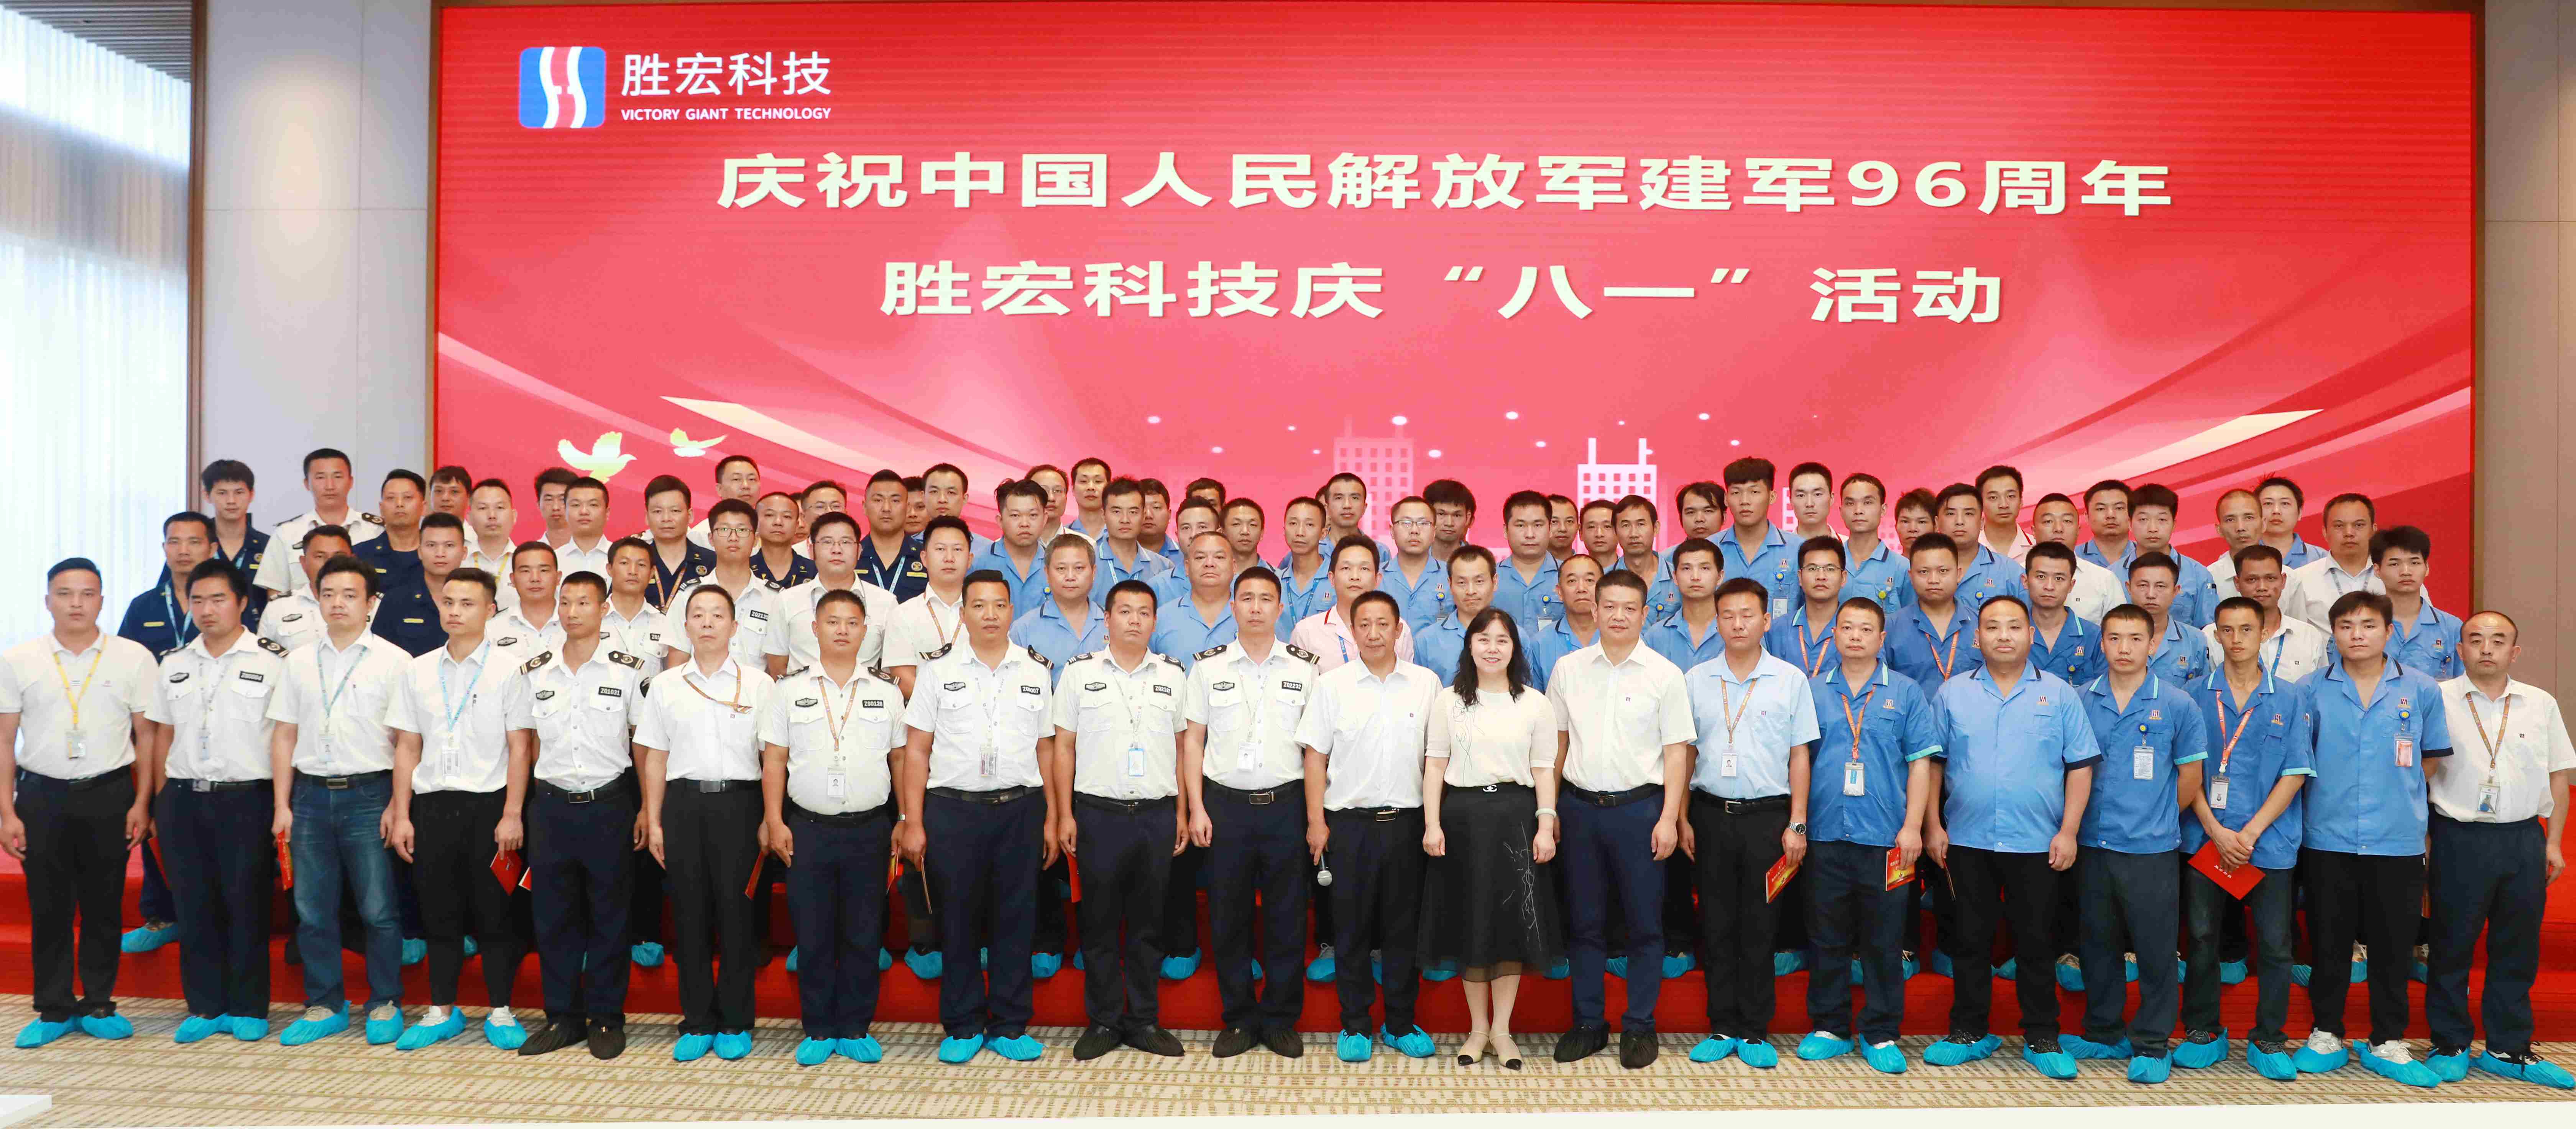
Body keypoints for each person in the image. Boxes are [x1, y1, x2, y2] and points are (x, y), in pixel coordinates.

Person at [1922, 596, 2101, 1078]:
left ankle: (2042, 1035)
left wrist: (2069, 831)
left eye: (2014, 627)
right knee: (1969, 939)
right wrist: (1933, 825)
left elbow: (2080, 767)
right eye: (1993, 627)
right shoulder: (1953, 692)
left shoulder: (2060, 694)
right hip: (1967, 839)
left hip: (2038, 841)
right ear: (1977, 637)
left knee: (2036, 942)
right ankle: (1969, 1031)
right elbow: (1933, 764)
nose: (2004, 635)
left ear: (2030, 635)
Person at [897, 569, 1056, 1064]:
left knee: (1017, 918)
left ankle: (1010, 1023)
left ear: (1012, 611)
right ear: (963, 613)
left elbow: (1046, 748)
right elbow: (917, 750)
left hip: (1020, 809)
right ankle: (964, 1023)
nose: (990, 614)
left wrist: (1053, 817)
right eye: (980, 605)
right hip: (953, 810)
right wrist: (913, 820)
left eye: (1000, 605)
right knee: (958, 918)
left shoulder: (1034, 670)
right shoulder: (936, 671)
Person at [2293, 591, 2451, 1087]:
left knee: (2393, 945)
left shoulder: (2422, 689)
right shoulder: (2309, 689)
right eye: (2346, 626)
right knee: (2329, 941)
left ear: (2388, 632)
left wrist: (2398, 797)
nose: (2356, 635)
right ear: (2333, 633)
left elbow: (2430, 759)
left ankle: (2387, 1038)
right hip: (2328, 836)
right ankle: (2326, 1032)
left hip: (2397, 838)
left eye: (2367, 625)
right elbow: (2298, 761)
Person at [1, 560, 156, 1047]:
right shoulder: (19, 659)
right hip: (41, 794)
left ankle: (98, 1002)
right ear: (48, 600)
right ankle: (53, 1008)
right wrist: (7, 812)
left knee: (103, 902)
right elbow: (4, 740)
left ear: (102, 601)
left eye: (87, 594)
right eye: (65, 593)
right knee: (48, 904)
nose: (76, 603)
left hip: (110, 793)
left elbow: (149, 736)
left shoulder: (132, 657)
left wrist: (143, 802)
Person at [1546, 570, 1693, 1069]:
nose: (1618, 616)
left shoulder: (1664, 675)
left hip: (1641, 810)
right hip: (1580, 809)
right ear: (1594, 609)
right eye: (1609, 606)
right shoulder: (1568, 669)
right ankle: (1589, 1023)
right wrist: (1550, 809)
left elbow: (1676, 753)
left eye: (1630, 608)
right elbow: (1558, 743)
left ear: (1645, 613)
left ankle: (1639, 1026)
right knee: (1585, 922)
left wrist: (1670, 818)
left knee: (1645, 924)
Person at [382, 566, 532, 1052]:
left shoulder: (509, 669)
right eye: (448, 602)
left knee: (496, 914)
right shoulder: (418, 669)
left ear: (490, 610)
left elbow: (520, 747)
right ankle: (441, 1009)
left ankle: (501, 1009)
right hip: (432, 806)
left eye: (467, 604)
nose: (455, 611)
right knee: (438, 912)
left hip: (490, 808)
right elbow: (407, 746)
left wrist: (512, 813)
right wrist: (402, 813)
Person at [2425, 611, 2576, 1088]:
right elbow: (2419, 774)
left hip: (2523, 838)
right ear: (2460, 649)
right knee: (2451, 945)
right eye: (2475, 640)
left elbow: (2559, 775)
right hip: (2457, 836)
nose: (2486, 648)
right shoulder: (2437, 698)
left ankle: (2507, 1048)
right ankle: (2450, 1042)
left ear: (2515, 651)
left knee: (2518, 947)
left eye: (2498, 640)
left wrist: (2553, 841)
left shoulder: (2540, 703)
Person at [757, 588, 905, 1067]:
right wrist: (774, 819)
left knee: (864, 932)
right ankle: (819, 1028)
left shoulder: (886, 691)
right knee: (814, 932)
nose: (842, 630)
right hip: (808, 829)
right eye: (833, 621)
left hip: (870, 829)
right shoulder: (788, 689)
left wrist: (905, 818)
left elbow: (900, 759)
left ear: (866, 631)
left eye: (852, 622)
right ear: (815, 629)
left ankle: (856, 1025)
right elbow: (774, 759)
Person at [268, 553, 411, 1047]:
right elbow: (284, 734)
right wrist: (282, 804)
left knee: (378, 909)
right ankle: (325, 1003)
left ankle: (385, 1000)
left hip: (371, 793)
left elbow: (407, 742)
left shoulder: (395, 661)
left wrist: (398, 806)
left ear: (371, 602)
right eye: (328, 594)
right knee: (312, 909)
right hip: (308, 795)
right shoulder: (298, 661)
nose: (338, 603)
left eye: (350, 595)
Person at [144, 560, 288, 1043]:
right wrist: (160, 800)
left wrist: (282, 805)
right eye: (198, 600)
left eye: (218, 599)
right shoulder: (174, 662)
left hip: (247, 800)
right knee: (194, 904)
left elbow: (284, 737)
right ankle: (205, 1006)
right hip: (183, 798)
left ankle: (248, 1007)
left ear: (243, 602)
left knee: (246, 903)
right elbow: (162, 734)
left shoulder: (273, 661)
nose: (207, 610)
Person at [2062, 604, 2207, 1083]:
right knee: (2097, 941)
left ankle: (2151, 1042)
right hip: (2093, 842)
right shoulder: (2080, 699)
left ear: (2152, 644)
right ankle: (2104, 1031)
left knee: (2155, 948)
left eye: (2135, 639)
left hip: (2151, 847)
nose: (2124, 648)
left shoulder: (2178, 704)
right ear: (2102, 643)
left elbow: (2190, 776)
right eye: (2114, 638)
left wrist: (2158, 817)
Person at [1796, 597, 1940, 1075]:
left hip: (1887, 839)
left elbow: (1921, 763)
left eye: (1865, 629)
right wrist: (1799, 823)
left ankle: (1881, 1031)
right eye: (1847, 628)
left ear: (1881, 639)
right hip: (1825, 834)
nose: (1855, 636)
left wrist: (1913, 827)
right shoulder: (1813, 690)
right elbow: (1800, 760)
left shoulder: (1906, 692)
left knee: (1884, 940)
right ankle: (1830, 1026)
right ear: (1834, 635)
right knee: (1826, 935)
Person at [1680, 578, 1819, 1069]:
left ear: (1766, 620)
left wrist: (1797, 822)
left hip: (1768, 818)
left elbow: (1800, 754)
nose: (1738, 624)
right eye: (1728, 615)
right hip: (1709, 814)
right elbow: (1685, 753)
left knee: (1761, 927)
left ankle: (1756, 1030)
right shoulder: (1696, 679)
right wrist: (1682, 817)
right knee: (1716, 924)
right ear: (1716, 621)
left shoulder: (1790, 679)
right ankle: (1722, 1024)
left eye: (1747, 615)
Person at [1296, 591, 1440, 1063]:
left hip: (1407, 824)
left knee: (1403, 929)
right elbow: (1315, 757)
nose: (1374, 633)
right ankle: (1355, 1023)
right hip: (1348, 825)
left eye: (1384, 624)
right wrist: (1316, 822)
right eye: (1365, 625)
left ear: (1399, 630)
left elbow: (1436, 759)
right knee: (1350, 928)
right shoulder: (1332, 685)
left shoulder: (1426, 684)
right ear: (1352, 631)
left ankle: (1400, 1023)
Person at [511, 570, 649, 1061]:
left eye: (584, 602)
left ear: (603, 608)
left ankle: (607, 1017)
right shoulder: (535, 671)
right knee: (553, 916)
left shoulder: (627, 670)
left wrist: (647, 808)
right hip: (550, 808)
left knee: (611, 915)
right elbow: (523, 745)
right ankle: (562, 1017)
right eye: (566, 602)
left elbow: (644, 744)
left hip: (609, 804)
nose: (572, 612)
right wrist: (516, 811)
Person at [1183, 568, 1319, 1060]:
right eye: (1247, 599)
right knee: (1228, 916)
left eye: (1266, 599)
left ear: (1281, 608)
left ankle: (1281, 1019)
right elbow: (1193, 742)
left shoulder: (1305, 668)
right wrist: (1197, 807)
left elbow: (1316, 749)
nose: (1256, 607)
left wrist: (1314, 817)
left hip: (1286, 806)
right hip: (1225, 808)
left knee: (1287, 917)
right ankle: (1239, 1017)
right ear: (1233, 607)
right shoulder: (1208, 667)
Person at [1418, 607, 1562, 1071]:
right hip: (1462, 819)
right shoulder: (1448, 701)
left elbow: (1544, 769)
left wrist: (1545, 824)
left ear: (1515, 648)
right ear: (1470, 646)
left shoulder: (1535, 703)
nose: (1493, 648)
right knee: (1472, 922)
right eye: (1483, 639)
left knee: (1510, 925)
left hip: (1516, 819)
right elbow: (1435, 765)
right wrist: (1432, 824)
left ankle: (1502, 1030)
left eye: (1502, 640)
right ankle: (1477, 1029)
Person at [2178, 595, 2315, 1080]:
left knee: (2276, 944)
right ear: (2215, 635)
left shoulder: (2290, 697)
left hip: (2268, 841)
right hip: (2206, 838)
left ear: (2264, 634)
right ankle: (2202, 1030)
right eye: (2228, 630)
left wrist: (2250, 832)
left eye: (2247, 629)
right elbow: (2187, 770)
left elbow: (2296, 772)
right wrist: (2216, 830)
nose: (2237, 639)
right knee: (2201, 938)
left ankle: (2269, 1037)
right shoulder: (2194, 694)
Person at [636, 584, 774, 1063]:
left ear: (735, 627)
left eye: (718, 614)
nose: (709, 622)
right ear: (686, 626)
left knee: (738, 915)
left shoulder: (758, 684)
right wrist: (654, 820)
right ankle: (696, 1019)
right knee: (689, 914)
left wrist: (770, 817)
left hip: (741, 806)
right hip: (683, 806)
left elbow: (772, 758)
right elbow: (655, 756)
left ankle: (735, 1020)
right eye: (699, 615)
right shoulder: (666, 685)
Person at [1051, 582, 1189, 1060]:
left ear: (1155, 621)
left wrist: (1181, 812)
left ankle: (1144, 1019)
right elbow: (1064, 747)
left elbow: (1181, 749)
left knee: (1150, 924)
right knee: (1099, 922)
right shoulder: (1078, 673)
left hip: (1156, 814)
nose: (1134, 620)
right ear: (1106, 619)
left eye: (1143, 612)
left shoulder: (1173, 674)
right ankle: (1105, 1020)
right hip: (1098, 814)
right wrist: (1065, 813)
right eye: (1125, 611)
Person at [767, 512, 899, 678]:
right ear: (811, 550)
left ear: (859, 551)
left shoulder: (885, 603)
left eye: (846, 542)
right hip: (802, 693)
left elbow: (892, 669)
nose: (837, 550)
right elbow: (777, 667)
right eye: (827, 542)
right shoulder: (787, 600)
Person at [667, 500, 784, 671]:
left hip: (754, 689)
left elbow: (779, 672)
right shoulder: (688, 595)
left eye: (742, 530)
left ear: (756, 540)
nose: (733, 538)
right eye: (724, 530)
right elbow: (676, 667)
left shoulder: (775, 599)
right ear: (711, 539)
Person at [254, 449, 383, 599]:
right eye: (320, 477)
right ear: (307, 484)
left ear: (351, 482)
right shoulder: (286, 533)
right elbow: (275, 593)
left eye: (338, 477)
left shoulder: (376, 530)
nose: (330, 486)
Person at [2202, 545, 2331, 683]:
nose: (2262, 588)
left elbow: (2321, 689)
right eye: (2252, 580)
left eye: (2271, 579)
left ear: (2283, 581)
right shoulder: (2211, 637)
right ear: (2237, 583)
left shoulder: (2309, 636)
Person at [1290, 535, 1418, 672]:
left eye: (1364, 569)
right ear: (1332, 579)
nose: (1355, 577)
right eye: (1346, 568)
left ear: (1377, 579)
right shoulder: (1306, 632)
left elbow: (1406, 680)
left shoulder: (1398, 628)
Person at [1884, 534, 1983, 690]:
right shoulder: (1890, 628)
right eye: (1924, 572)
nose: (1933, 580)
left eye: (1943, 571)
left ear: (1959, 574)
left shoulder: (1981, 624)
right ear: (1911, 576)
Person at [370, 512, 468, 657]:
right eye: (431, 545)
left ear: (464, 552)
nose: (440, 553)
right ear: (420, 552)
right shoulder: (396, 601)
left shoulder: (477, 600)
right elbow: (379, 656)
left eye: (449, 546)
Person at [2123, 485, 2220, 629]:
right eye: (2143, 520)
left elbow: (2208, 630)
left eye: (2162, 520)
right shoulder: (2111, 575)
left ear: (2174, 525)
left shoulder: (2199, 575)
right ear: (2130, 524)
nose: (2153, 529)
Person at [1012, 533, 1107, 680]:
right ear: (1047, 573)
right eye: (1061, 569)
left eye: (1079, 568)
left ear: (1094, 572)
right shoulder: (1023, 629)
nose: (1070, 577)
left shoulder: (1113, 624)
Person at [2282, 493, 2383, 629]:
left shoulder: (2393, 575)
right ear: (2325, 532)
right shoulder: (2300, 579)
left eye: (2359, 525)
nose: (2349, 533)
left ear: (2374, 530)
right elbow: (2296, 634)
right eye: (2339, 526)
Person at [123, 512, 216, 659]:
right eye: (174, 542)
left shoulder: (227, 604)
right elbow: (124, 660)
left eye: (194, 542)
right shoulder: (142, 605)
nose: (184, 551)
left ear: (212, 550)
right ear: (164, 547)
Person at [2374, 526, 2462, 680]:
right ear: (2377, 570)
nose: (2406, 572)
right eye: (2395, 564)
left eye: (2414, 563)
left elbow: (2465, 684)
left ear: (2427, 568)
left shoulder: (2452, 628)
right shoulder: (2359, 626)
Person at [1152, 532, 1243, 673]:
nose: (1210, 564)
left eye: (1219, 557)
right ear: (1187, 567)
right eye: (1200, 558)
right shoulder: (1160, 619)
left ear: (1234, 566)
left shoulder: (1252, 617)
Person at [255, 524, 352, 655]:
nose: (329, 563)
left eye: (338, 556)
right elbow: (264, 660)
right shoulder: (278, 609)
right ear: (304, 563)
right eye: (320, 556)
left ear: (353, 560)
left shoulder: (372, 606)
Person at [198, 460, 273, 629]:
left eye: (239, 492)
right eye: (222, 493)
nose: (231, 501)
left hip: (256, 639)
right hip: (203, 636)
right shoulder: (194, 544)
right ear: (207, 495)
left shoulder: (269, 546)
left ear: (251, 495)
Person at [2124, 553, 2215, 686]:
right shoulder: (2112, 637)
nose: (2151, 595)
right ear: (2129, 588)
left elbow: (2203, 689)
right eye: (2143, 586)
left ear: (2176, 591)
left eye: (2160, 586)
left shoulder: (2195, 640)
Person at [1718, 459, 1797, 609]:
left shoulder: (1798, 549)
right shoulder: (1711, 549)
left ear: (1772, 497)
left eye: (1754, 492)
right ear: (1726, 499)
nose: (1744, 501)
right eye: (1736, 493)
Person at [2022, 543, 2105, 686]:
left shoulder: (2095, 637)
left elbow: (2104, 690)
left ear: (2071, 586)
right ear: (2026, 582)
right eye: (2041, 577)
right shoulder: (2010, 634)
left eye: (2059, 579)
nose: (2049, 586)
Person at [2030, 494, 2122, 622]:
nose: (2058, 529)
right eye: (2048, 521)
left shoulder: (2104, 580)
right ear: (2033, 531)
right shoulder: (2017, 575)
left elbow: (2120, 629)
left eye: (2067, 521)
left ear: (2079, 530)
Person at [1763, 537, 1845, 677]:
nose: (1821, 576)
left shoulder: (1857, 632)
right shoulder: (1775, 630)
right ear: (1800, 577)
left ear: (1843, 578)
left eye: (1830, 569)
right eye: (1812, 569)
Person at [1415, 545, 1497, 683]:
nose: (1471, 591)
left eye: (1479, 581)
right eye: (1462, 582)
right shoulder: (1427, 641)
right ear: (1450, 584)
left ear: (1495, 582)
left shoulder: (1515, 636)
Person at [971, 479, 1052, 616]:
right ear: (1000, 521)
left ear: (1045, 519)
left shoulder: (1057, 565)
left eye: (1033, 515)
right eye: (1015, 516)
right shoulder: (978, 564)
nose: (1025, 524)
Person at [1646, 538, 1728, 674]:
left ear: (1720, 577)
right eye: (1686, 568)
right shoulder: (1655, 636)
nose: (1695, 577)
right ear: (1675, 577)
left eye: (1705, 568)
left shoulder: (1735, 630)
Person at [1524, 553, 1603, 690]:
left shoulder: (1620, 637)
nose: (1581, 589)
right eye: (1572, 581)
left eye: (1590, 580)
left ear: (1603, 590)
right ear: (1560, 592)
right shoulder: (1540, 644)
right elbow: (1534, 699)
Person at [1932, 485, 2017, 609]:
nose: (1960, 521)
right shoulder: (1919, 571)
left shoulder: (2010, 572)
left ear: (1982, 523)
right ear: (1937, 523)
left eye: (1969, 514)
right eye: (1951, 514)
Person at [641, 475, 717, 611]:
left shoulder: (712, 563)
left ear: (690, 516)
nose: (666, 518)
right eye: (658, 511)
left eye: (675, 511)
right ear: (647, 517)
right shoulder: (635, 563)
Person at [1378, 497, 1454, 633]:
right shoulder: (1374, 576)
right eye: (1406, 523)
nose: (1414, 530)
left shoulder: (1452, 576)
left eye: (1423, 523)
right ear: (1392, 531)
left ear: (1434, 532)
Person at [1490, 492, 1564, 630]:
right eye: (1520, 526)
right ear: (1506, 530)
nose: (1530, 535)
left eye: (1538, 525)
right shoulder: (1488, 578)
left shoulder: (1569, 576)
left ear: (1550, 529)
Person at [1092, 478, 1173, 599]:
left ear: (1144, 515)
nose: (1125, 520)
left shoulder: (1164, 567)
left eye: (1133, 512)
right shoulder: (1086, 562)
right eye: (1117, 512)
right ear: (1103, 515)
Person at [1836, 473, 1908, 610]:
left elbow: (1912, 618)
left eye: (1868, 503)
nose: (1858, 511)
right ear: (1841, 511)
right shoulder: (1829, 564)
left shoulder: (1903, 568)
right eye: (1850, 503)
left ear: (1883, 510)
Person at [488, 542, 565, 665]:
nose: (535, 578)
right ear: (513, 580)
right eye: (525, 571)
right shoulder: (491, 628)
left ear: (558, 578)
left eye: (544, 570)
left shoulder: (578, 622)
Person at [857, 470, 928, 601]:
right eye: (878, 500)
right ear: (865, 507)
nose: (886, 508)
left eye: (895, 501)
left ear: (907, 507)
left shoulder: (927, 557)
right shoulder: (850, 557)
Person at [1609, 495, 1681, 620]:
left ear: (1656, 528)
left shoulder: (1679, 578)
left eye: (1641, 524)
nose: (1634, 534)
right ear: (1615, 532)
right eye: (1626, 526)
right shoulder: (1604, 579)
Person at [352, 470, 429, 583]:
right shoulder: (359, 556)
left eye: (407, 497)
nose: (399, 504)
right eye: (391, 498)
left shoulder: (438, 555)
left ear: (424, 508)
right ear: (381, 508)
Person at [1272, 496, 1336, 628]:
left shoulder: (1337, 581)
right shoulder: (1273, 582)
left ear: (1323, 534)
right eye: (1293, 524)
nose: (1300, 532)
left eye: (1310, 525)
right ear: (1284, 530)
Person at [462, 479, 524, 612]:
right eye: (483, 508)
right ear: (469, 518)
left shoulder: (526, 563)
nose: (492, 516)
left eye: (500, 508)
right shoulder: (458, 561)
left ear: (514, 516)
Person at [686, 456, 763, 549]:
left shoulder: (770, 531)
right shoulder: (701, 535)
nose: (746, 486)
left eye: (752, 479)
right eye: (736, 479)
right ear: (720, 489)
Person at [2252, 476, 2326, 571]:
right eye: (2268, 504)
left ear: (2300, 513)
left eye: (2285, 504)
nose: (2276, 511)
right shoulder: (2243, 556)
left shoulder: (2321, 558)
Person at [751, 491, 818, 589]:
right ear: (755, 523)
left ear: (797, 526)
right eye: (770, 515)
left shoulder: (815, 572)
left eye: (787, 516)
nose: (778, 522)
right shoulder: (745, 570)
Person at [2205, 488, 2262, 599]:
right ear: (2219, 530)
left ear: (2264, 524)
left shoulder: (2288, 576)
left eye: (2249, 518)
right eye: (2230, 520)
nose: (2241, 528)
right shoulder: (2208, 578)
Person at [555, 478, 615, 580]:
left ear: (607, 513)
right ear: (565, 511)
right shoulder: (553, 560)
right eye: (576, 505)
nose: (584, 512)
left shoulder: (621, 559)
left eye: (593, 505)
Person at [2077, 480, 2136, 584]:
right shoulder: (2073, 557)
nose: (2111, 515)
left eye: (2119, 508)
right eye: (2101, 509)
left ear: (2132, 514)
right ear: (2087, 517)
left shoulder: (2147, 556)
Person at [1974, 466, 2035, 563]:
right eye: (1993, 498)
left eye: (2011, 496)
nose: (2004, 505)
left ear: (2021, 501)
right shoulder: (1967, 549)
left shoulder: (2037, 547)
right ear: (1980, 504)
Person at [1784, 462, 1838, 545]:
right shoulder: (1778, 551)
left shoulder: (1850, 548)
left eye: (1818, 494)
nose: (1810, 504)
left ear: (1831, 499)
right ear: (1791, 501)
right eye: (1801, 495)